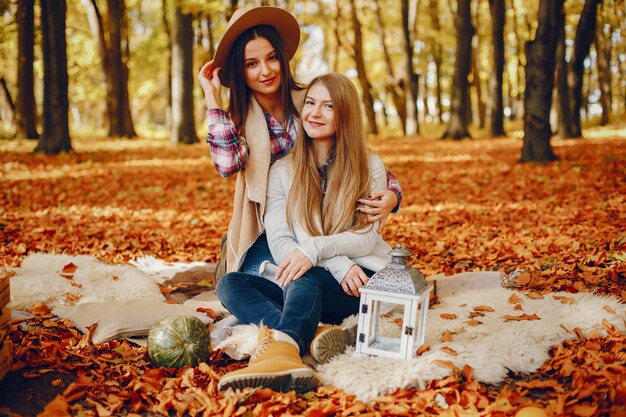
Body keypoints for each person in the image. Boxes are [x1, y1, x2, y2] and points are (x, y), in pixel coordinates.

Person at [216, 73, 394, 393]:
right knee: (230, 284)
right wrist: (326, 257)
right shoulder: (283, 170)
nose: (314, 113)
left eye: (328, 106)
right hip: (314, 279)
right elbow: (281, 241)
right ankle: (312, 335)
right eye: (310, 103)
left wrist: (321, 255)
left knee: (304, 276)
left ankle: (282, 356)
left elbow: (366, 236)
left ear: (346, 114)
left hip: (355, 280)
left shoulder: (369, 166)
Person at [197, 6, 403, 281]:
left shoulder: (311, 100)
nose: (266, 70)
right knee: (258, 280)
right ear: (240, 71)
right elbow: (227, 165)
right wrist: (212, 96)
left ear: (282, 58)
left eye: (272, 58)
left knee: (311, 276)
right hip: (270, 226)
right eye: (252, 63)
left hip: (324, 219)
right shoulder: (239, 123)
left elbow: (355, 153)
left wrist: (393, 195)